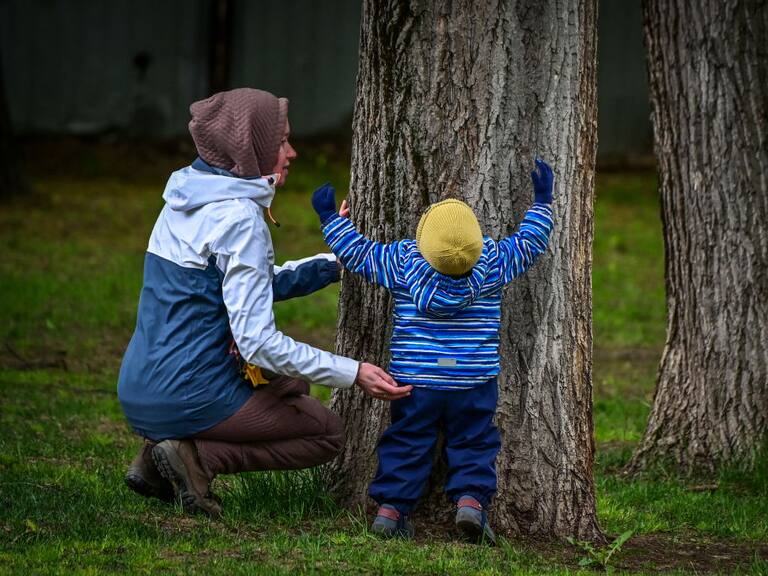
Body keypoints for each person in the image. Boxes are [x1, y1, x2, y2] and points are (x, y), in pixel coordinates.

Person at [117, 88, 411, 518]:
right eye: (281, 142)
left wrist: (336, 263)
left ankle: (160, 455)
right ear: (249, 147)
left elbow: (244, 286)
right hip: (185, 393)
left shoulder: (184, 199)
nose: (291, 153)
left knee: (290, 386)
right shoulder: (238, 218)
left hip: (137, 386)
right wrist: (353, 372)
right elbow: (258, 344)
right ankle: (195, 458)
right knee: (325, 433)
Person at [311, 159, 555, 543]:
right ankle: (471, 503)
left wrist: (331, 219)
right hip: (473, 379)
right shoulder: (492, 263)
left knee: (408, 438)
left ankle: (391, 509)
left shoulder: (403, 262)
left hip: (416, 380)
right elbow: (529, 244)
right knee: (474, 439)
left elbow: (358, 255)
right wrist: (542, 202)